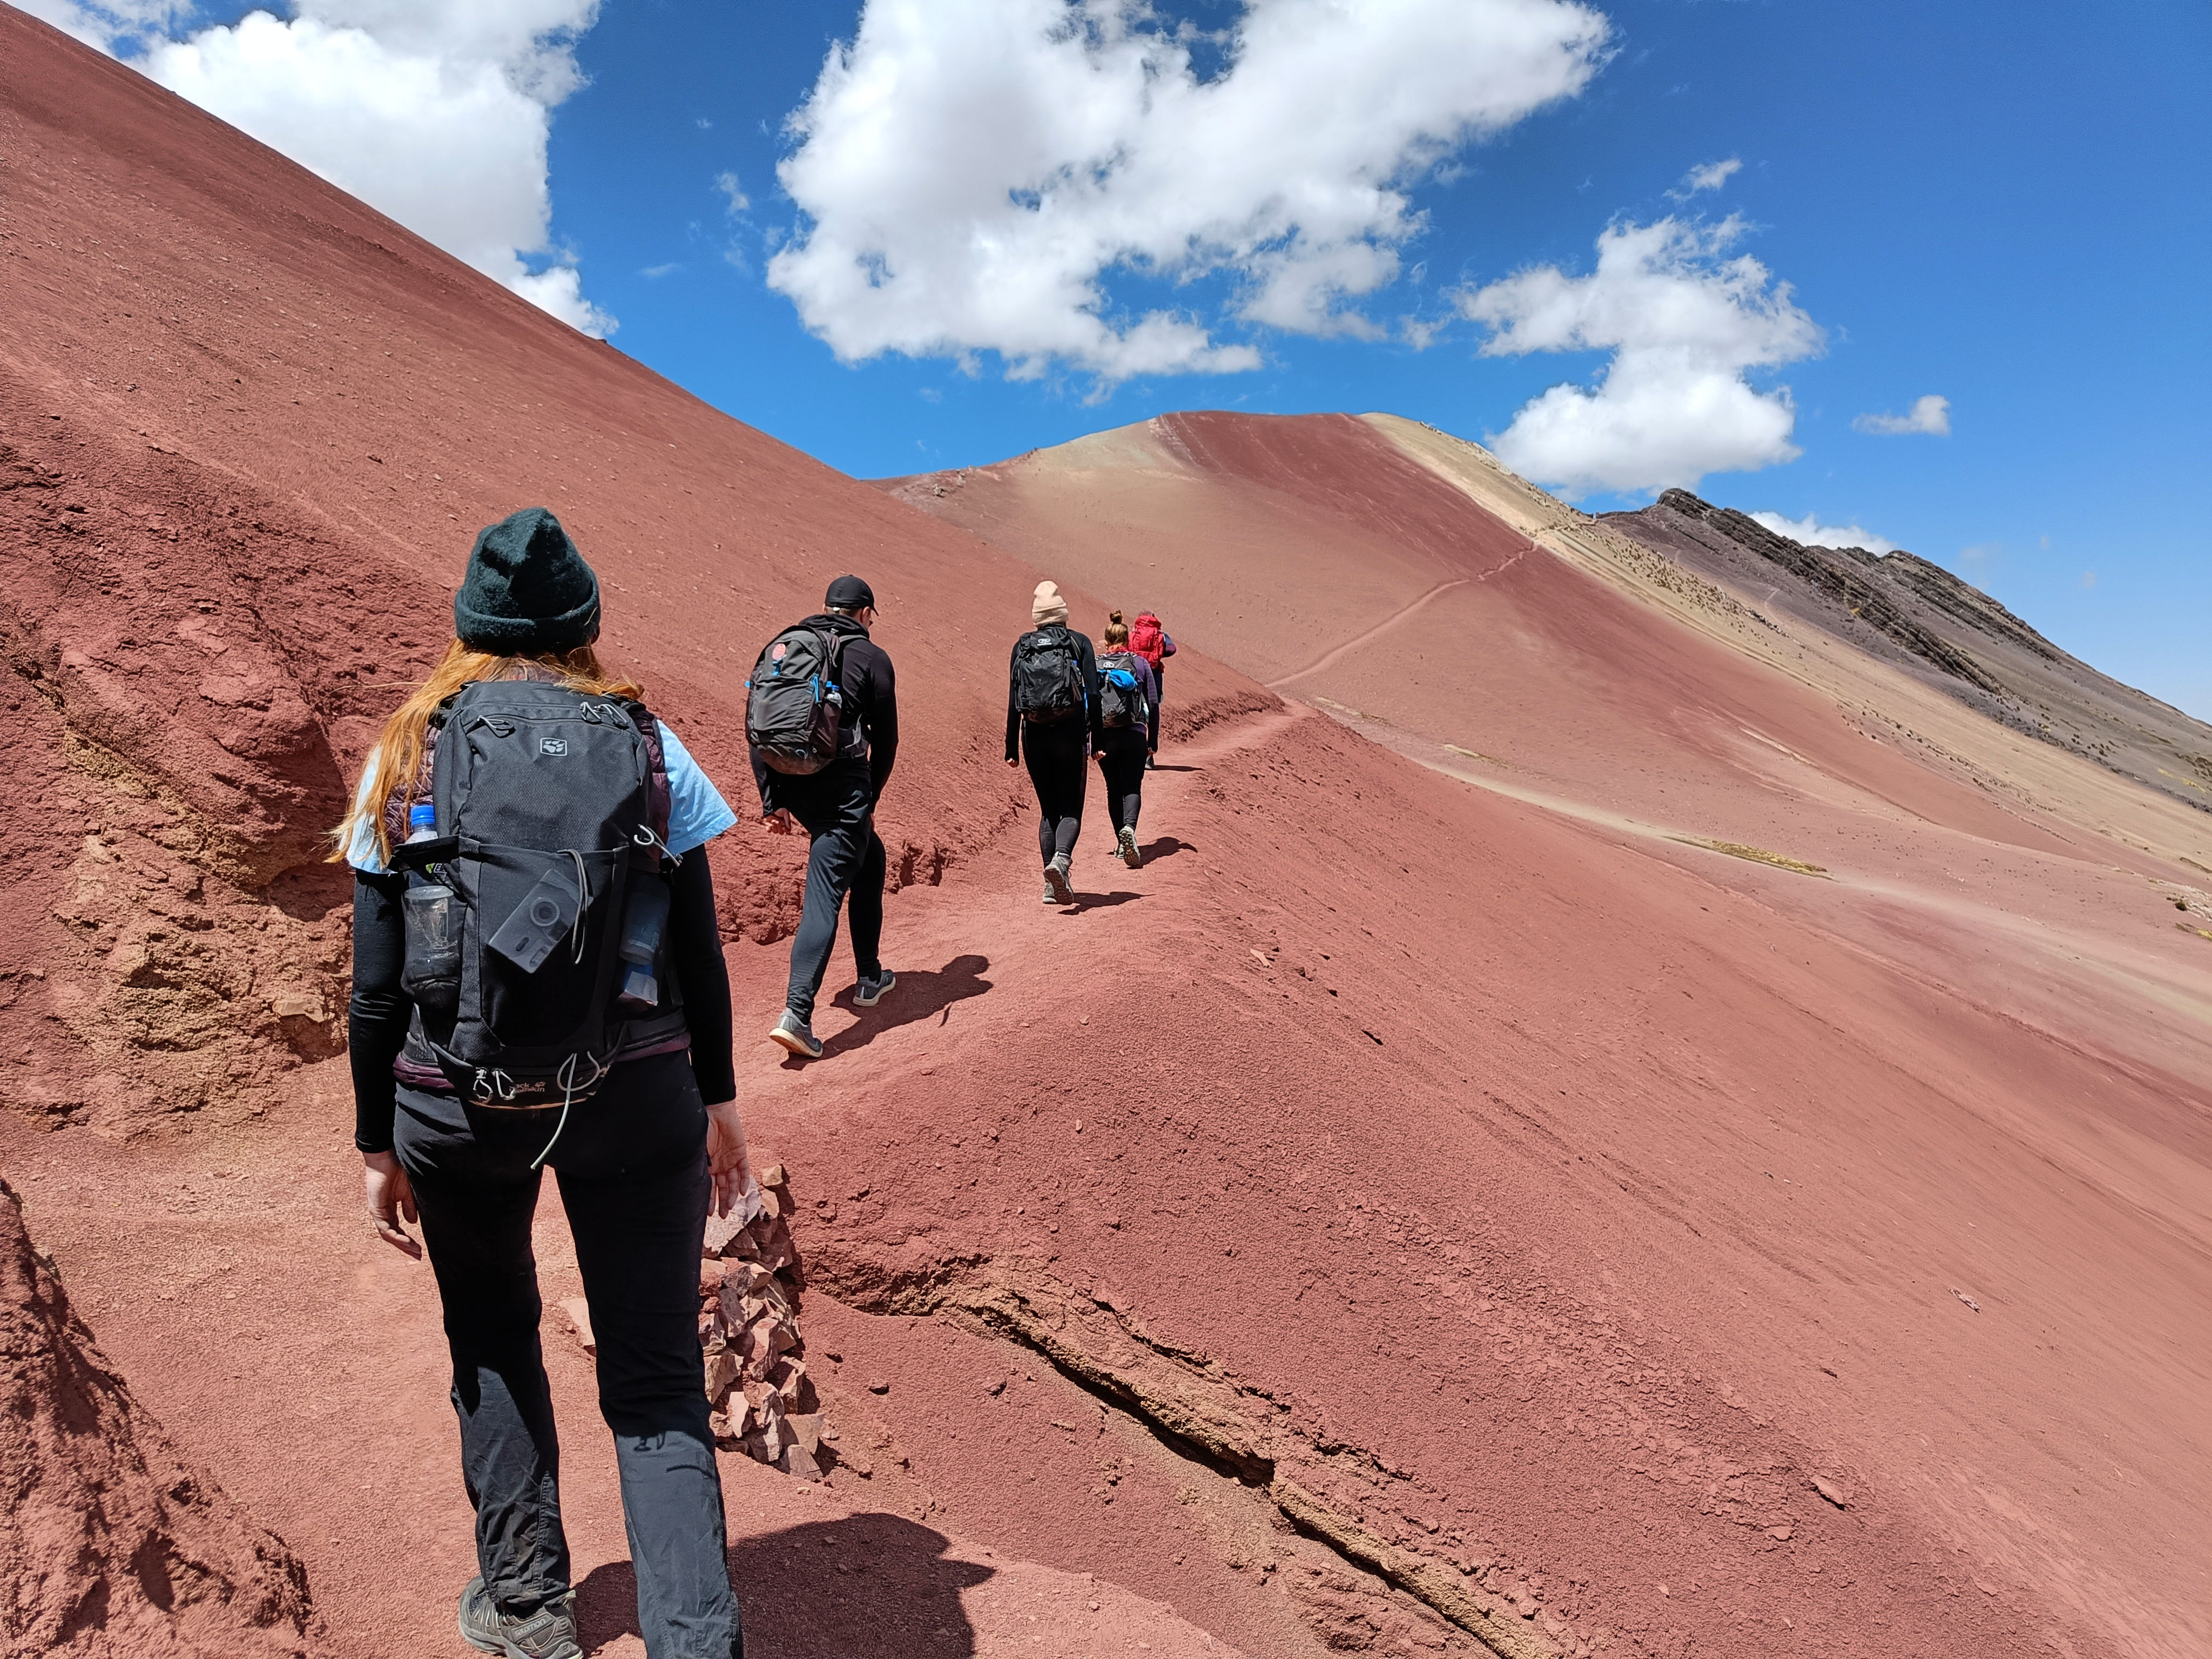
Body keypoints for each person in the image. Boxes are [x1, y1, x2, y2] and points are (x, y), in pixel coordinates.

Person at [336, 507, 748, 1659]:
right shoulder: (652, 747)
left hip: (454, 1105)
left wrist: (378, 1141)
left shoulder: (406, 752)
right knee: (658, 1374)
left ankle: (528, 1611)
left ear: (468, 624)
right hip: (636, 1092)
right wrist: (719, 1108)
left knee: (491, 1336)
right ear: (584, 626)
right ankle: (693, 1641)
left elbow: (374, 990)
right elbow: (699, 960)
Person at [753, 575, 899, 1061]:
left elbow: (759, 726)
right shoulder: (872, 658)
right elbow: (888, 742)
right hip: (843, 790)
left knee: (870, 857)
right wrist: (867, 800)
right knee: (825, 892)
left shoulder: (783, 645)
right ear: (864, 613)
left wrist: (773, 801)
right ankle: (796, 1013)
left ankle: (870, 975)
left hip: (795, 784)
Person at [1004, 578, 1103, 905]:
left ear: (1036, 616)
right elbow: (1092, 695)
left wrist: (1010, 748)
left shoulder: (1022, 647)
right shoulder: (1079, 643)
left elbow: (1013, 700)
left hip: (1033, 737)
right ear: (1063, 613)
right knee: (1071, 808)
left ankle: (1051, 885)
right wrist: (1098, 739)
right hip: (1071, 734)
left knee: (1048, 811)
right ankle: (1061, 861)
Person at [1094, 611, 1158, 869]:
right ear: (1128, 640)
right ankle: (1129, 830)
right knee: (1132, 786)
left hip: (1105, 737)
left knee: (1113, 788)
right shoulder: (1139, 663)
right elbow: (1153, 703)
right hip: (1134, 735)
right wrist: (1153, 741)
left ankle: (1121, 842)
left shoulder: (1095, 664)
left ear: (1106, 640)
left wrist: (1090, 741)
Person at [1128, 610, 1176, 767]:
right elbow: (1172, 649)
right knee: (1153, 713)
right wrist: (1158, 654)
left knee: (1134, 714)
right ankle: (1150, 754)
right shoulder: (1160, 634)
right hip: (1154, 679)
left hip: (1135, 676)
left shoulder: (1134, 632)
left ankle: (1132, 753)